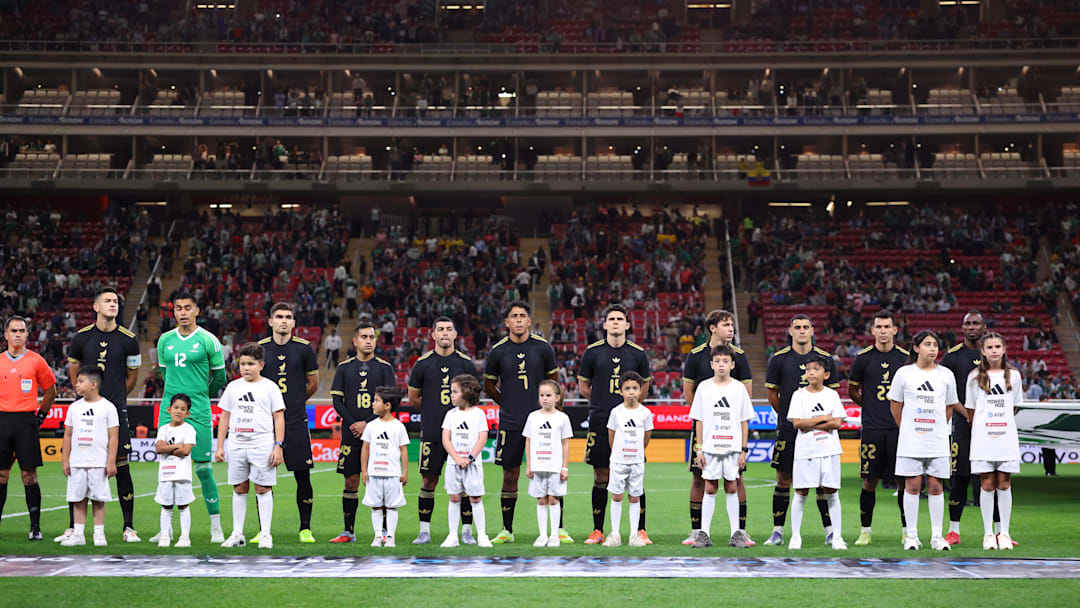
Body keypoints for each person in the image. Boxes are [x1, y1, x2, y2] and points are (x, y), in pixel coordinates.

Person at [63, 287, 141, 543]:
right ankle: (73, 528)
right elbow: (74, 373)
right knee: (79, 468)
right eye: (107, 301)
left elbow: (132, 378)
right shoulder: (81, 338)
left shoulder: (129, 339)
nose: (113, 304)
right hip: (85, 412)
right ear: (95, 307)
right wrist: (87, 397)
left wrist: (112, 398)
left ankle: (128, 527)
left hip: (116, 410)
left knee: (121, 467)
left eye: (116, 301)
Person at [484, 302, 558, 544]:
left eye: (522, 316)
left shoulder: (544, 348)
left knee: (552, 474)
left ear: (529, 322)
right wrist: (506, 403)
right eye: (513, 316)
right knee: (510, 475)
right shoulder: (497, 351)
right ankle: (507, 529)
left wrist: (549, 410)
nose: (518, 320)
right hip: (511, 421)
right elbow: (488, 385)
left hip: (542, 422)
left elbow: (554, 383)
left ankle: (559, 528)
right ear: (507, 322)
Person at [156, 292, 228, 543]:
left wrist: (196, 397)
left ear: (197, 310)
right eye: (178, 308)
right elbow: (166, 376)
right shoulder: (164, 341)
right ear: (173, 312)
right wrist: (177, 404)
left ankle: (215, 527)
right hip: (168, 411)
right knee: (167, 470)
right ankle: (167, 529)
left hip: (198, 412)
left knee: (204, 470)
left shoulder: (209, 340)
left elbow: (220, 378)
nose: (183, 312)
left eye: (188, 308)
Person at [763, 315, 838, 547]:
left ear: (813, 330)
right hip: (789, 430)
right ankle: (778, 532)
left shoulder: (826, 359)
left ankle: (831, 532)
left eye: (806, 327)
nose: (802, 331)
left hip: (822, 434)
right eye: (798, 327)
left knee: (823, 482)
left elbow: (831, 397)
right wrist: (792, 418)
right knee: (783, 479)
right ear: (790, 331)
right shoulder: (778, 359)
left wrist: (814, 422)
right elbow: (773, 396)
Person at [580, 304, 652, 545]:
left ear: (627, 325)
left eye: (620, 319)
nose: (615, 323)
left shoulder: (638, 354)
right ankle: (598, 530)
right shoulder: (591, 353)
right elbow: (584, 387)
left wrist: (629, 408)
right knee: (601, 474)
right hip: (601, 420)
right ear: (604, 324)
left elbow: (644, 388)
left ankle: (639, 531)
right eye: (611, 319)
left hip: (631, 422)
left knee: (635, 476)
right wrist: (604, 405)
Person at [681, 310, 753, 546]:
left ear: (731, 363)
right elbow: (690, 395)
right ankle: (698, 531)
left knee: (736, 480)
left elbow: (745, 402)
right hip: (707, 435)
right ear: (712, 328)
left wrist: (743, 446)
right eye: (726, 324)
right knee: (700, 479)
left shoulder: (740, 357)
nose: (731, 329)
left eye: (732, 324)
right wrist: (708, 417)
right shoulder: (695, 356)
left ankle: (740, 532)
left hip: (731, 437)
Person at [405, 317, 478, 545]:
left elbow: (473, 398)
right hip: (433, 433)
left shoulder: (466, 364)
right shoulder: (422, 363)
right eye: (440, 329)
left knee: (465, 483)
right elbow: (414, 398)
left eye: (449, 329)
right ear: (433, 335)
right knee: (428, 481)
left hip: (463, 436)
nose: (444, 333)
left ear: (456, 334)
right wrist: (433, 412)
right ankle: (424, 531)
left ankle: (466, 531)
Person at [888, 330, 963, 551]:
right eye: (928, 344)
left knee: (936, 487)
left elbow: (950, 406)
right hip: (911, 440)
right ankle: (911, 536)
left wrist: (938, 427)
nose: (933, 349)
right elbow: (895, 406)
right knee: (911, 487)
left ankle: (937, 537)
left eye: (935, 345)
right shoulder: (904, 374)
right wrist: (908, 428)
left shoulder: (946, 374)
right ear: (916, 347)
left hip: (937, 439)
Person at [330, 323, 397, 543]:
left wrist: (368, 424)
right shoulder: (344, 368)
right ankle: (348, 531)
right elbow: (337, 401)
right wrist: (354, 424)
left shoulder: (385, 368)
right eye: (364, 337)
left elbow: (392, 401)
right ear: (355, 341)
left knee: (384, 481)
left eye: (372, 337)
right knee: (350, 481)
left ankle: (385, 532)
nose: (369, 340)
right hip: (352, 434)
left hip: (379, 434)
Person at [214, 343, 286, 549]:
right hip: (236, 443)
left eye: (250, 364)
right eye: (242, 363)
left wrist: (278, 445)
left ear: (261, 365)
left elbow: (279, 418)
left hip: (261, 443)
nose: (245, 368)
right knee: (239, 487)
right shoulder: (233, 387)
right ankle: (237, 533)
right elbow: (224, 417)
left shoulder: (270, 387)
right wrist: (220, 446)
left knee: (263, 488)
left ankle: (265, 534)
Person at [258, 303, 319, 543]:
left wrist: (293, 402)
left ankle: (305, 528)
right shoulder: (260, 348)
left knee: (302, 476)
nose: (284, 321)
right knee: (262, 479)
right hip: (264, 424)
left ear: (294, 323)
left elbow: (312, 384)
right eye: (279, 317)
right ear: (270, 321)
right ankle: (263, 530)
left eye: (289, 317)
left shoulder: (304, 348)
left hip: (295, 421)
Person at [847, 310, 909, 546]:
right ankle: (865, 531)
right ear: (872, 331)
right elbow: (853, 391)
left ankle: (907, 531)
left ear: (894, 330)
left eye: (887, 327)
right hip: (872, 429)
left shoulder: (905, 358)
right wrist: (871, 405)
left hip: (899, 430)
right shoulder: (862, 358)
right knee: (869, 481)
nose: (883, 331)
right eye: (879, 327)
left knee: (904, 481)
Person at [0, 316, 56, 540]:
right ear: (6, 334)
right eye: (13, 330)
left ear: (27, 334)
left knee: (29, 476)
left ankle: (35, 527)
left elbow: (50, 390)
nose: (17, 334)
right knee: (1, 475)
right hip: (2, 421)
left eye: (22, 330)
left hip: (26, 421)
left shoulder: (36, 361)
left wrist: (40, 416)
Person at [964, 333, 1022, 550]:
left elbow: (1014, 408)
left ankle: (1004, 533)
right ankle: (988, 533)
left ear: (1004, 348)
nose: (994, 350)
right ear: (983, 351)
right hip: (983, 437)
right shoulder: (973, 377)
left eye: (998, 346)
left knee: (1004, 482)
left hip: (1005, 436)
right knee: (986, 483)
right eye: (990, 347)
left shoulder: (1014, 376)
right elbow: (970, 410)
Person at [787, 355, 848, 550]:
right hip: (806, 451)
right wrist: (823, 418)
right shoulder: (799, 396)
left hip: (829, 450)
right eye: (808, 369)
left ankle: (837, 536)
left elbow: (837, 423)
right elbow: (797, 423)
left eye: (816, 369)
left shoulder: (832, 395)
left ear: (826, 374)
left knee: (831, 492)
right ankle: (795, 536)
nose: (811, 372)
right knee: (801, 492)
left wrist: (810, 422)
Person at [940, 310, 986, 546]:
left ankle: (997, 531)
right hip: (962, 425)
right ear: (962, 327)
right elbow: (947, 394)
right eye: (967, 323)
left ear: (984, 327)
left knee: (994, 478)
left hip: (989, 426)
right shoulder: (952, 357)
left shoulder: (994, 354)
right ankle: (953, 530)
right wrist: (968, 414)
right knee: (959, 477)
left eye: (975, 323)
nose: (971, 327)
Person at [59, 368, 118, 547]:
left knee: (98, 499)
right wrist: (65, 459)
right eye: (77, 381)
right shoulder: (74, 407)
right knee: (78, 498)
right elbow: (68, 435)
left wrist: (111, 461)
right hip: (77, 461)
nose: (76, 384)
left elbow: (113, 436)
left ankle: (99, 534)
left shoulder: (108, 407)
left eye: (81, 381)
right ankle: (78, 534)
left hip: (98, 461)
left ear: (93, 385)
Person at [440, 374, 492, 548]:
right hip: (454, 464)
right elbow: (446, 438)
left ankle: (482, 536)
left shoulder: (478, 414)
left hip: (473, 465)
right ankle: (453, 536)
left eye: (455, 391)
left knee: (475, 498)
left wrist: (469, 458)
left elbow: (482, 437)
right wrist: (456, 458)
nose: (451, 395)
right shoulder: (450, 414)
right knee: (454, 498)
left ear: (467, 392)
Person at [602, 372, 653, 548]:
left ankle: (634, 535)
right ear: (621, 391)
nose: (631, 392)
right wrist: (618, 453)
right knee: (616, 496)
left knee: (635, 497)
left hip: (637, 461)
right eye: (627, 388)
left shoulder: (645, 413)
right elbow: (611, 437)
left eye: (635, 388)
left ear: (640, 391)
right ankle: (615, 534)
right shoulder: (616, 412)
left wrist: (637, 452)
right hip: (618, 461)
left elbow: (646, 438)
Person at [523, 379, 572, 548]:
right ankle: (542, 535)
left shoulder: (562, 418)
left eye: (548, 395)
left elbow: (565, 443)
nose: (545, 398)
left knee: (553, 499)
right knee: (541, 500)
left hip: (555, 466)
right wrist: (529, 465)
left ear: (557, 397)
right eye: (542, 395)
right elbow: (528, 442)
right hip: (538, 465)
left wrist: (564, 467)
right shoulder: (533, 417)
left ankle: (554, 535)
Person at [360, 385, 409, 548]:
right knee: (376, 505)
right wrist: (364, 470)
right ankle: (377, 535)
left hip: (393, 473)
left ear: (387, 406)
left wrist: (405, 472)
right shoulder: (371, 426)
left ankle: (390, 536)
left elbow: (403, 450)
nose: (372, 404)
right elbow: (365, 448)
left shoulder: (398, 426)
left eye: (376, 401)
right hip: (374, 472)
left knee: (392, 505)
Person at [154, 394, 197, 548]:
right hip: (165, 474)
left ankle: (185, 537)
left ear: (188, 413)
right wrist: (176, 446)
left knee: (183, 505)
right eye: (176, 408)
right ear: (169, 409)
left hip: (182, 475)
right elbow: (159, 448)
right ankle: (164, 535)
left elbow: (185, 451)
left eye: (183, 409)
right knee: (165, 505)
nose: (179, 411)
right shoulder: (163, 428)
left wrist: (167, 448)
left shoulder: (189, 429)